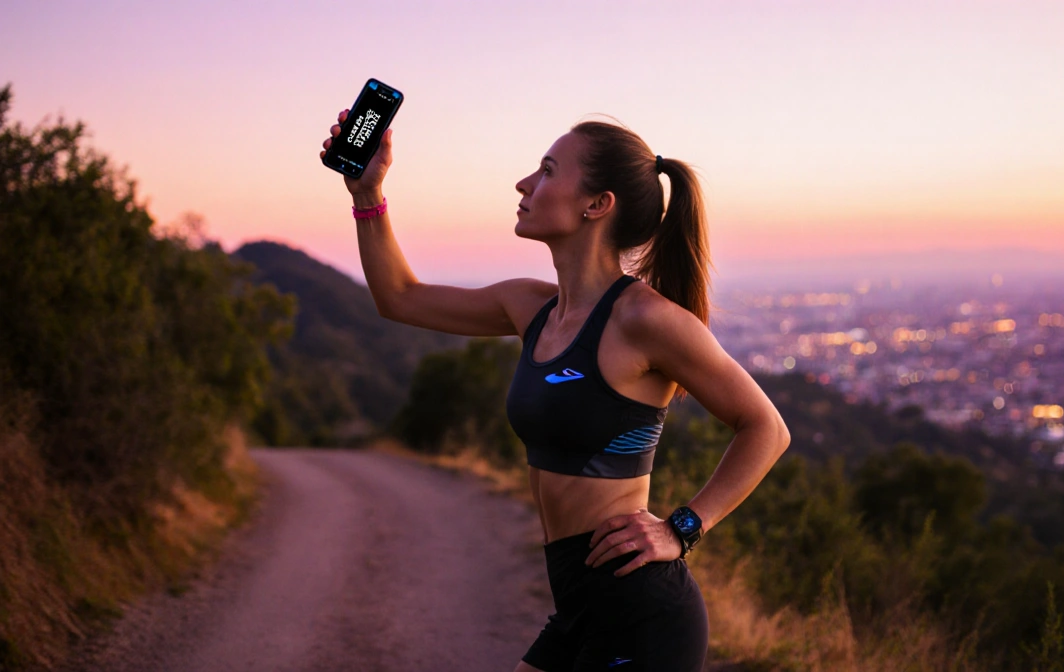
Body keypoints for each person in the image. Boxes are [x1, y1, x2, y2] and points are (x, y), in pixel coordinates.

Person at [321, 111, 791, 672]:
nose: (524, 185)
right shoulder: (528, 307)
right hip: (577, 605)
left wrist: (683, 527)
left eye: (546, 171)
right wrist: (368, 193)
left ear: (597, 204)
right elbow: (399, 297)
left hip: (640, 615)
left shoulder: (646, 320)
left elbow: (766, 428)